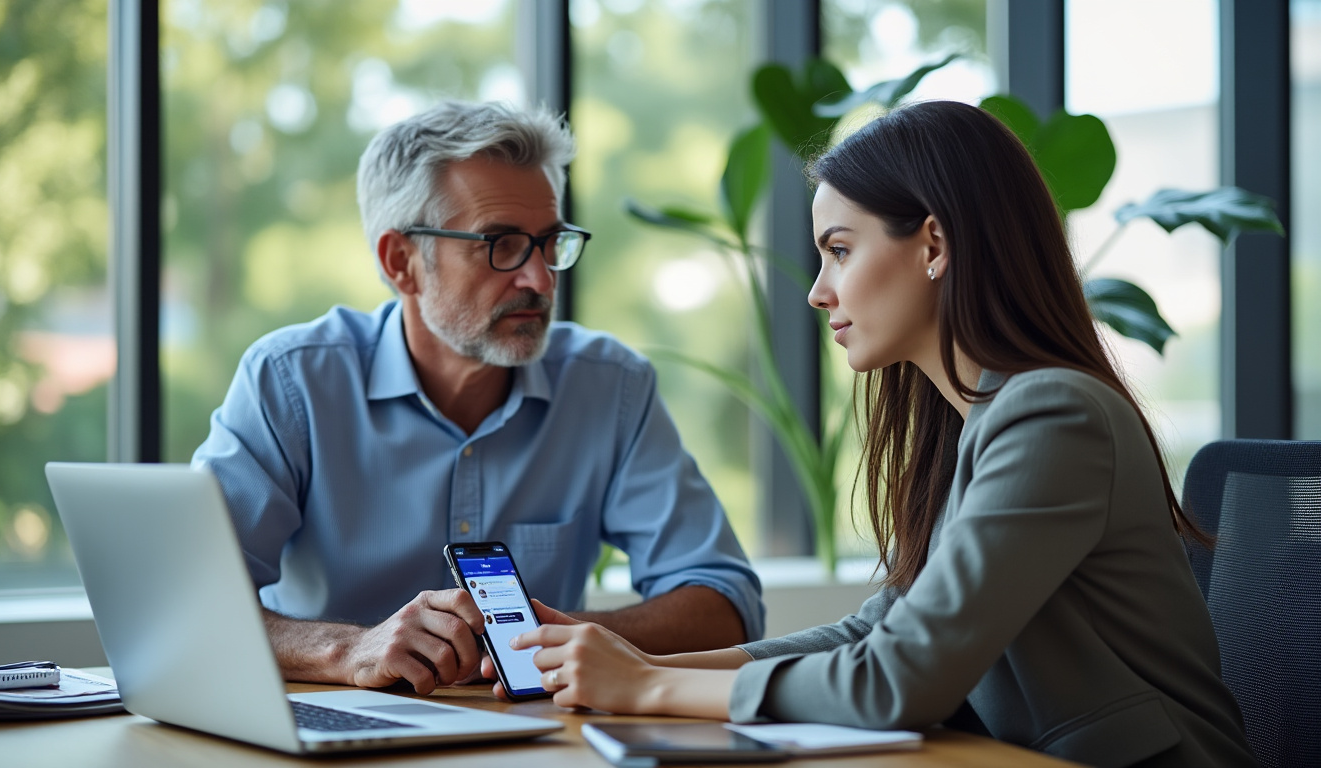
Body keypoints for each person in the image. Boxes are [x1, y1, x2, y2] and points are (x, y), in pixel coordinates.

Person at [510, 101, 1257, 767]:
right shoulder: (980, 420)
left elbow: (899, 678)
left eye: (839, 249)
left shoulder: (1055, 416)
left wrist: (648, 685)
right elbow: (875, 632)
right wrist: (630, 661)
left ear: (934, 245)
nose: (817, 289)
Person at [191, 101, 763, 696]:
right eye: (501, 244)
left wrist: (545, 638)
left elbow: (725, 602)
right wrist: (347, 650)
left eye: (549, 243)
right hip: (338, 735)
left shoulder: (610, 386)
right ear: (401, 261)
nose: (540, 280)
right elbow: (184, 598)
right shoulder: (291, 382)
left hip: (535, 738)